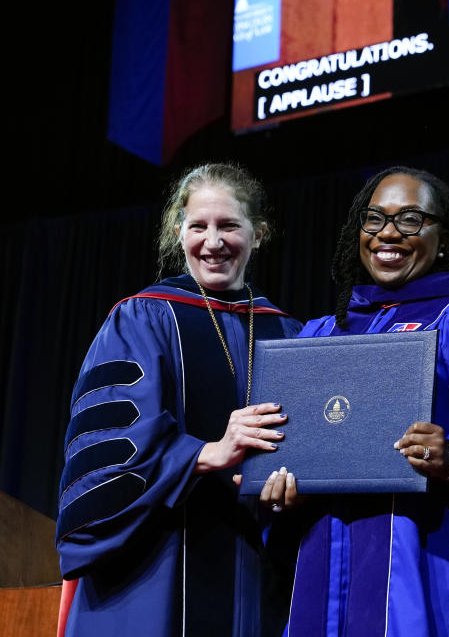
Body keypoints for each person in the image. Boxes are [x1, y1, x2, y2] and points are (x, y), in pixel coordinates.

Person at [260, 166, 449, 636]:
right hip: (327, 566)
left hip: (437, 568)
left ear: (444, 239)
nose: (389, 234)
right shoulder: (320, 334)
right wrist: (276, 488)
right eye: (374, 219)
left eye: (411, 220)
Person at [55, 163, 302, 636]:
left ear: (259, 233)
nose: (213, 242)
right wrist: (203, 454)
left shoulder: (288, 332)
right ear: (178, 231)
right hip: (154, 567)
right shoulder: (141, 319)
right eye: (198, 226)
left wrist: (291, 493)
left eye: (229, 225)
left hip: (255, 572)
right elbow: (107, 450)